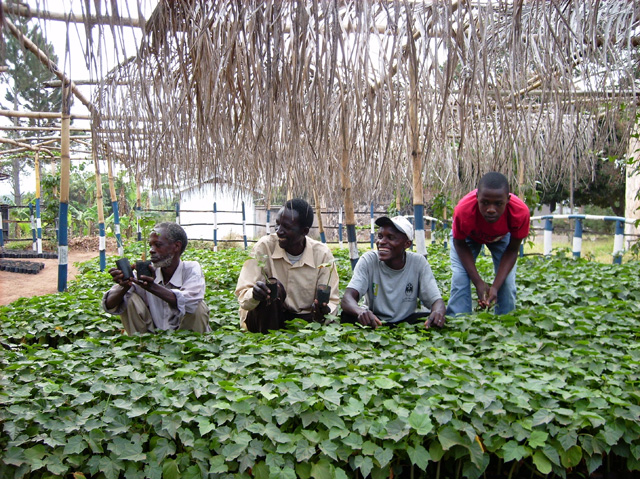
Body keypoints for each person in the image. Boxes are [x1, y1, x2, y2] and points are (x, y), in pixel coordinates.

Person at [235, 198, 339, 333]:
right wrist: (255, 294)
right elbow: (243, 297)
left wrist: (324, 310)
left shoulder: (322, 255)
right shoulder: (264, 247)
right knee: (273, 288)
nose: (279, 231)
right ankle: (268, 344)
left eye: (287, 227)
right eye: (277, 225)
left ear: (304, 231)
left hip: (303, 323)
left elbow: (332, 301)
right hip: (265, 319)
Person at [103, 222, 211, 334]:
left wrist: (152, 287)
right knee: (129, 299)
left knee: (198, 307)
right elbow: (110, 304)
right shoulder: (146, 272)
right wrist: (124, 286)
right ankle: (141, 344)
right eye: (150, 245)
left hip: (184, 335)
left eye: (158, 245)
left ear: (176, 246)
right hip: (151, 336)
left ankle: (191, 347)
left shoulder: (191, 268)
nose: (151, 250)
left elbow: (190, 302)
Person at [447, 172, 530, 316]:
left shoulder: (520, 212)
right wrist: (478, 282)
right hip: (468, 238)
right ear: (477, 197)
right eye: (485, 203)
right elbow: (459, 244)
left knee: (507, 284)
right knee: (460, 278)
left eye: (498, 204)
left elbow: (512, 250)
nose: (491, 209)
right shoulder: (464, 210)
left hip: (501, 237)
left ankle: (505, 324)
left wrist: (495, 287)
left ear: (508, 200)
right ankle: (458, 322)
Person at [341, 215, 446, 329]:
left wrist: (437, 312)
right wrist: (360, 311)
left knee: (436, 320)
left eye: (390, 238)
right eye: (380, 236)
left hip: (406, 322)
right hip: (375, 320)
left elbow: (437, 301)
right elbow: (347, 298)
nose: (381, 242)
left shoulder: (418, 262)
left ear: (407, 244)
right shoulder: (368, 260)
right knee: (347, 316)